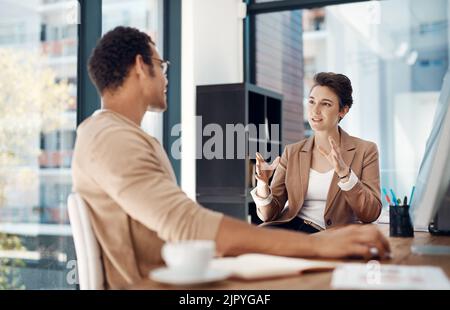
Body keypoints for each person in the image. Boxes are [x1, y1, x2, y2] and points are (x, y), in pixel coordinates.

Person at [72, 26, 390, 289]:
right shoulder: (109, 137)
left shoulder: (130, 137)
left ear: (343, 111)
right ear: (142, 66)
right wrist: (318, 246)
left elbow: (177, 227)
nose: (166, 77)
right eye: (162, 65)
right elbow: (187, 224)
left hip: (181, 276)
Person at [251, 72, 381, 234]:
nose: (315, 110)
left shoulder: (365, 150)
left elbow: (371, 213)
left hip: (331, 235)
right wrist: (263, 183)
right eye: (311, 102)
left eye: (325, 104)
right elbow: (269, 215)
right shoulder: (292, 152)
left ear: (343, 111)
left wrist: (345, 174)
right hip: (290, 229)